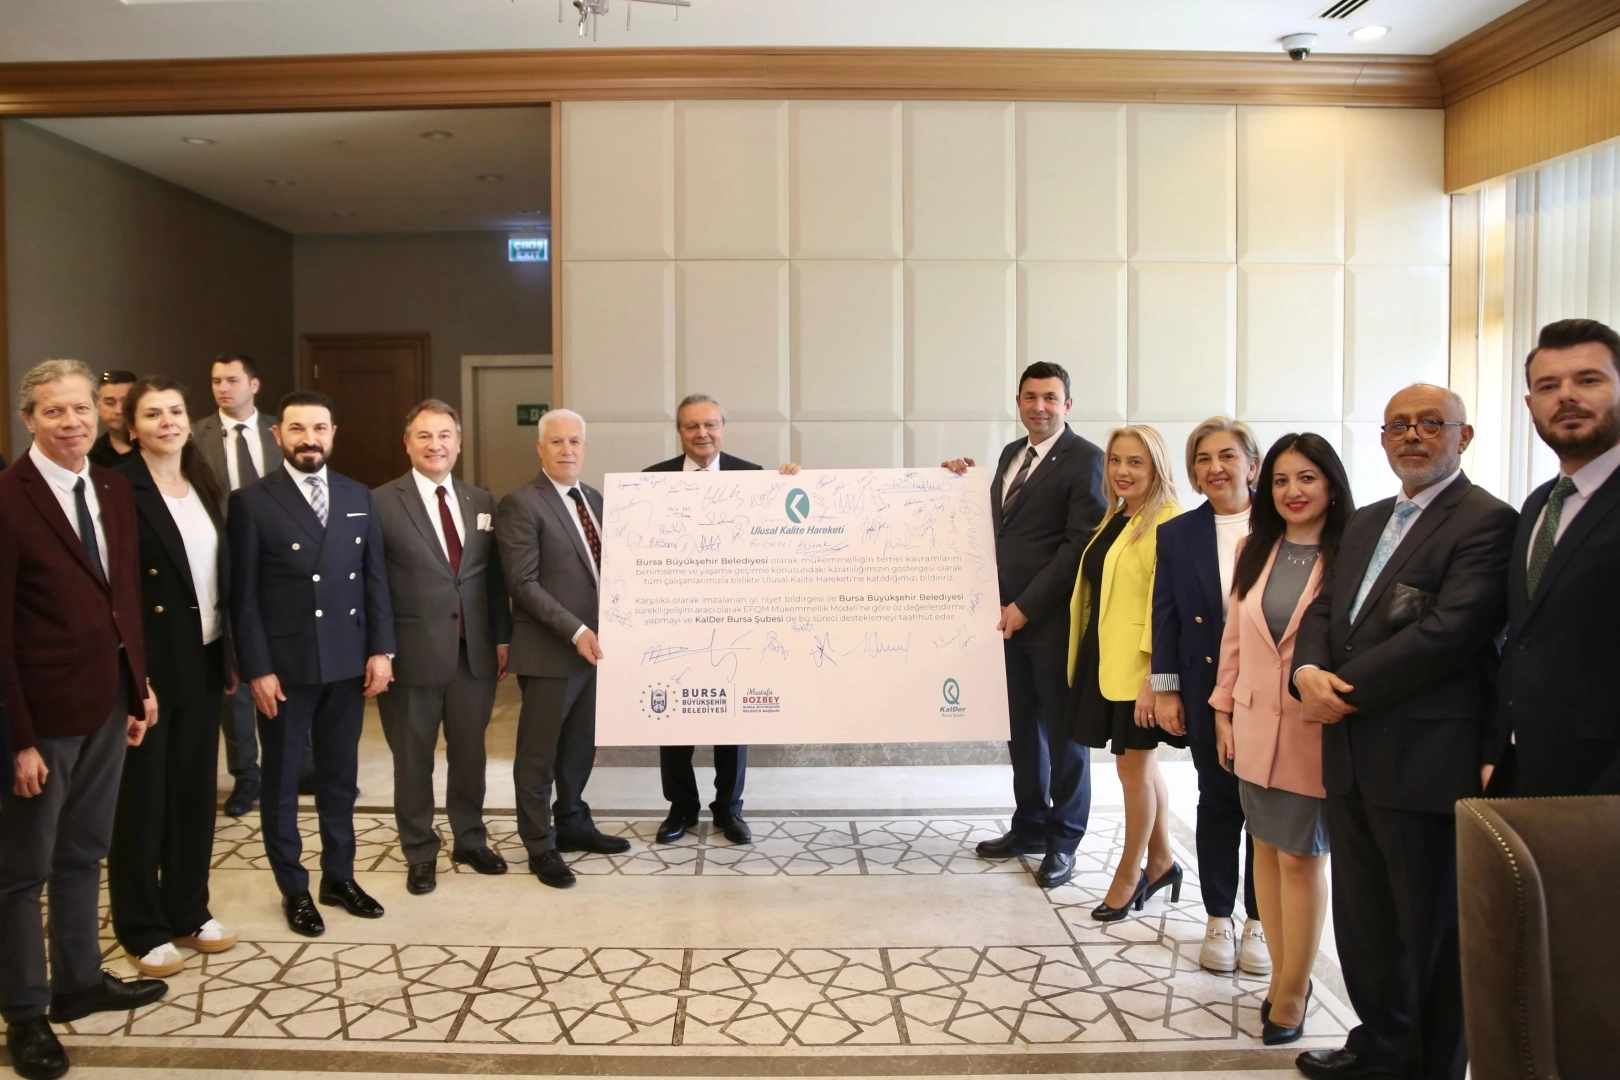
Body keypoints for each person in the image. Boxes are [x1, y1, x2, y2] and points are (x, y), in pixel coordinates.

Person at [1291, 384, 1515, 1080]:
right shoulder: (1365, 521)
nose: (1412, 436)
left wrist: (1341, 690)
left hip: (1424, 757)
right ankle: (1378, 1046)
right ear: (1384, 438)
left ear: (1463, 436)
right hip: (1351, 754)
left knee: (1428, 931)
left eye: (1429, 424)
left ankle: (1429, 1066)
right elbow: (1326, 607)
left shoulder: (1487, 521)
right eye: (1398, 426)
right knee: (1365, 922)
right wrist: (1306, 671)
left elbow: (1450, 634)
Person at [0, 359, 163, 1080]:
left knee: (83, 852)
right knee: (22, 871)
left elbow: (123, 595)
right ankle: (25, 1012)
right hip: (41, 720)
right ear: (28, 420)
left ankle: (77, 981)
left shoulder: (111, 487)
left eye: (81, 409)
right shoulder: (7, 498)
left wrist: (139, 686)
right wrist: (18, 739)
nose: (71, 422)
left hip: (106, 705)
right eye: (54, 411)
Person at [228, 391, 396, 938]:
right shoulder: (252, 501)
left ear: (333, 433)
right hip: (285, 667)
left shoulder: (356, 494)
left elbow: (374, 580)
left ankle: (339, 878)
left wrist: (382, 650)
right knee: (280, 784)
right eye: (297, 429)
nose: (309, 439)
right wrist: (256, 668)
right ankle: (294, 888)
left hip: (347, 661)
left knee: (340, 779)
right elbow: (242, 596)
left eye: (319, 428)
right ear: (278, 435)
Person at [1210, 433, 1353, 1046]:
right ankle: (1278, 974)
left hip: (1309, 728)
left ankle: (1294, 988)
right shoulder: (1255, 547)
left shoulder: (1351, 551)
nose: (1293, 491)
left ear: (1331, 484)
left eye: (1307, 478)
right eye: (1281, 480)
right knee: (1265, 850)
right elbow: (1235, 639)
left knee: (1301, 857)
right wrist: (1222, 708)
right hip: (1251, 722)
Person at [942, 362, 1107, 876]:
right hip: (1002, 621)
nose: (1040, 406)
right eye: (1031, 397)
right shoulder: (1012, 454)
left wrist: (1027, 606)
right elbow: (1000, 525)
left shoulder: (1087, 459)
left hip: (1051, 621)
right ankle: (1030, 824)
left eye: (1050, 397)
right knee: (1021, 732)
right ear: (1018, 402)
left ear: (1067, 404)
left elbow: (1078, 546)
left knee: (1063, 737)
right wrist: (959, 483)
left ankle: (1065, 839)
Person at [107, 378, 238, 979]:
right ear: (132, 428)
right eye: (153, 414)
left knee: (194, 791)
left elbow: (218, 578)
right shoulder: (116, 488)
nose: (168, 422)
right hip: (151, 665)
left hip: (203, 657)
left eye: (176, 411)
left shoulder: (202, 482)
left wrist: (229, 653)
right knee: (143, 800)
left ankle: (189, 909)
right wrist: (133, 676)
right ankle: (141, 926)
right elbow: (115, 590)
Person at [642, 393, 800, 846]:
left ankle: (729, 810)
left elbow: (779, 537)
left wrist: (791, 485)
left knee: (733, 717)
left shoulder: (754, 477)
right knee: (674, 716)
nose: (702, 434)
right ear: (679, 431)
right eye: (692, 426)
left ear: (723, 428)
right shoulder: (651, 481)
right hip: (674, 621)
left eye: (710, 424)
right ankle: (681, 808)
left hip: (735, 623)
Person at [374, 399, 513, 895]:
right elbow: (372, 583)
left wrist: (501, 636)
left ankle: (470, 838)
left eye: (444, 435)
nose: (435, 445)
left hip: (473, 653)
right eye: (424, 435)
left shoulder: (480, 500)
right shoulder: (380, 502)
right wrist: (380, 650)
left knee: (470, 753)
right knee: (413, 759)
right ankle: (419, 850)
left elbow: (493, 578)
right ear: (407, 443)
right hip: (411, 655)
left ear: (458, 442)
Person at [1150, 417, 1267, 975]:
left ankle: (1260, 921)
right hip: (1202, 687)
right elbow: (1165, 614)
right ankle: (1219, 916)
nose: (1215, 468)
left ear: (1252, 464)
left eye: (1227, 456)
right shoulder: (1178, 534)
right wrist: (1166, 689)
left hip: (1270, 693)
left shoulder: (1283, 523)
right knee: (1217, 801)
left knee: (1266, 810)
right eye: (1203, 459)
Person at [496, 408, 629, 890]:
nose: (567, 449)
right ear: (540, 448)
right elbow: (523, 583)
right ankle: (539, 843)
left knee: (579, 747)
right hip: (552, 651)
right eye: (556, 442)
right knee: (540, 755)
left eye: (574, 441)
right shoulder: (521, 503)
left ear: (585, 448)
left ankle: (572, 820)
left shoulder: (594, 499)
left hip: (596, 653)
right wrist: (575, 630)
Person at [1492, 318, 1620, 796]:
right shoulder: (1539, 504)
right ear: (1531, 406)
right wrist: (1495, 750)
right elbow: (1524, 638)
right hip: (1523, 767)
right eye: (1548, 386)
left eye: (1588, 380)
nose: (1566, 396)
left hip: (1602, 784)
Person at [1066, 425, 1183, 903]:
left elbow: (1166, 606)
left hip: (1139, 669)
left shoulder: (1169, 522)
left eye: (1135, 462)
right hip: (1106, 659)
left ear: (1156, 467)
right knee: (1142, 770)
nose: (1122, 470)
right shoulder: (1117, 517)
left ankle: (1129, 875)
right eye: (1115, 460)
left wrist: (1156, 679)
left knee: (1134, 773)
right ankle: (1162, 861)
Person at [193, 354, 286, 819]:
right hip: (222, 560)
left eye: (231, 380)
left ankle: (299, 765)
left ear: (254, 384)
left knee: (290, 660)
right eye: (215, 381)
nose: (222, 388)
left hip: (282, 561)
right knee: (236, 673)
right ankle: (246, 774)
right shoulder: (195, 435)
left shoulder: (281, 430)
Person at [88, 370, 138, 470]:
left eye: (125, 402)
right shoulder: (89, 455)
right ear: (97, 407)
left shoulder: (156, 449)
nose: (118, 411)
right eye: (110, 403)